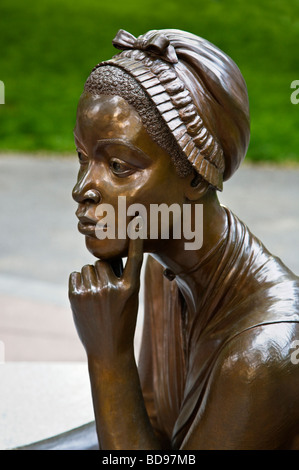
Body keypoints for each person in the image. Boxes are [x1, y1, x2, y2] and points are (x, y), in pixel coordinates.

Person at [69, 29, 299, 450]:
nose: (83, 188)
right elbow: (151, 432)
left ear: (195, 175)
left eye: (118, 165)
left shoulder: (261, 356)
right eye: (84, 158)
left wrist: (109, 359)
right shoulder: (162, 274)